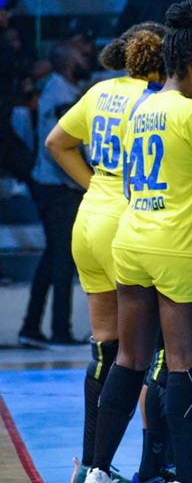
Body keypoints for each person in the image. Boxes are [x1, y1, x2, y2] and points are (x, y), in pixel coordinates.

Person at [84, 0, 192, 483]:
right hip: (179, 249)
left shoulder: (140, 108)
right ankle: (187, 475)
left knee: (130, 359)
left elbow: (131, 183)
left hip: (132, 241)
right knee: (188, 364)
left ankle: (98, 469)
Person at [44, 23, 167, 483]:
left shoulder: (101, 92)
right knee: (149, 354)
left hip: (90, 220)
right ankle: (156, 464)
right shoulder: (155, 100)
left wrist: (95, 182)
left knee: (104, 350)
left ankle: (91, 465)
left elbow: (56, 143)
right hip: (129, 222)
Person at [21, 40, 91, 348]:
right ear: (65, 61)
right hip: (57, 188)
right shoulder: (58, 93)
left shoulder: (65, 91)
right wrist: (86, 182)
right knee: (62, 257)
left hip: (60, 187)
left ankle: (31, 327)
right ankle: (58, 330)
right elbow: (56, 149)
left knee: (53, 257)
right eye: (79, 52)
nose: (85, 55)